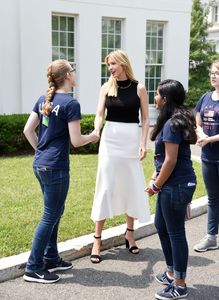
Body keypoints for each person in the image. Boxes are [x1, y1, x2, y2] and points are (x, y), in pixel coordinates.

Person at [23, 59, 99, 284]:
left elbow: (28, 130)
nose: (75, 74)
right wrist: (93, 136)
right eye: (73, 71)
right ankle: (33, 267)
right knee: (50, 215)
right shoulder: (70, 103)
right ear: (67, 76)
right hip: (55, 167)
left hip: (41, 165)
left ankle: (51, 257)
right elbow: (76, 141)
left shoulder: (43, 99)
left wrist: (42, 152)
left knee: (55, 211)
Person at [90, 49, 151, 263]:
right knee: (105, 186)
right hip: (110, 141)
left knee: (131, 185)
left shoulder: (139, 88)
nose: (110, 68)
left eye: (113, 64)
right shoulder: (106, 88)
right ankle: (97, 239)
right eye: (108, 65)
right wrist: (97, 130)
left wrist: (143, 144)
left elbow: (145, 118)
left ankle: (130, 234)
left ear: (123, 63)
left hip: (131, 140)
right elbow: (99, 114)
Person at [146, 79, 197, 299]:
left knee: (175, 232)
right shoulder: (172, 120)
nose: (154, 98)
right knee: (161, 224)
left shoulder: (172, 124)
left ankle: (180, 284)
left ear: (165, 99)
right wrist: (156, 176)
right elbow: (164, 160)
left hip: (177, 184)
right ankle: (170, 271)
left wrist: (156, 185)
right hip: (172, 182)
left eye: (157, 94)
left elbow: (170, 161)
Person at [193, 59, 219, 252]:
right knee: (212, 198)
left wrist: (209, 139)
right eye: (212, 73)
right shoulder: (206, 97)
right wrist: (200, 133)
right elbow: (197, 118)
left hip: (212, 149)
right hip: (208, 158)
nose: (213, 76)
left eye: (217, 73)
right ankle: (211, 237)